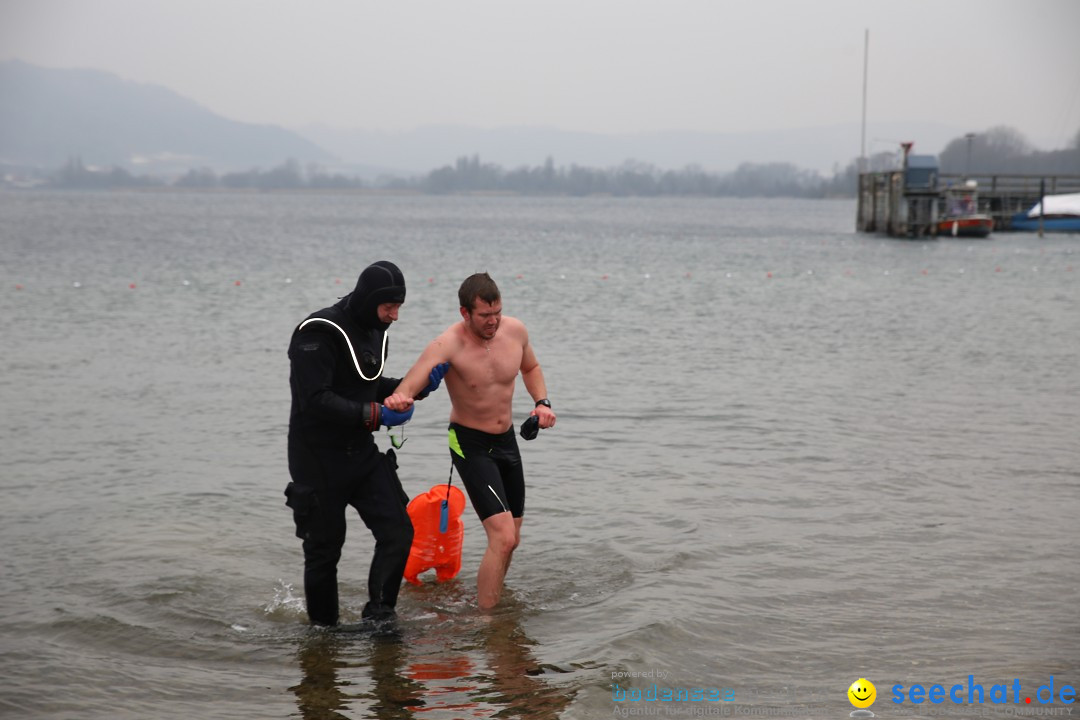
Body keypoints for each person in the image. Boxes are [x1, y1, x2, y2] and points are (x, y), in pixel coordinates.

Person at [285, 260, 448, 626]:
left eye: (399, 307)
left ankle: (379, 617)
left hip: (360, 454)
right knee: (325, 552)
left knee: (398, 530)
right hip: (317, 459)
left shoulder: (376, 330)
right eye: (389, 306)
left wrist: (414, 387)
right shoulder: (318, 332)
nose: (394, 316)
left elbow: (368, 385)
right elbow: (316, 399)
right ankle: (324, 635)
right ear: (369, 299)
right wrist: (376, 415)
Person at [384, 272, 556, 609]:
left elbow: (531, 367)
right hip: (469, 442)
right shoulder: (448, 344)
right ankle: (487, 621)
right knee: (502, 537)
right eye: (484, 316)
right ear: (465, 313)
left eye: (497, 314)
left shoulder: (515, 330)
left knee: (512, 539)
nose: (493, 322)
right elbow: (406, 387)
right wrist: (399, 400)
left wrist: (542, 403)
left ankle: (492, 601)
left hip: (506, 441)